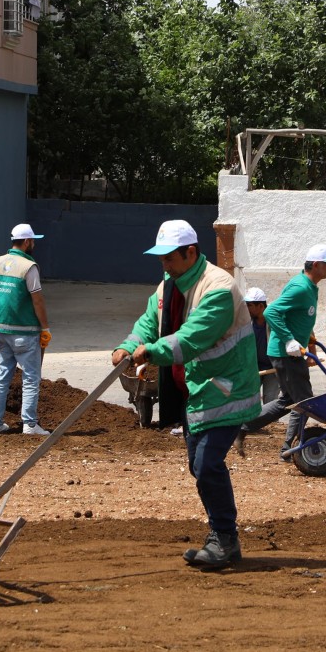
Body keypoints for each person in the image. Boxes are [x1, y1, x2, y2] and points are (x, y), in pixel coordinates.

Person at [111, 219, 261, 570]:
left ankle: (224, 538)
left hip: (227, 388)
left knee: (207, 464)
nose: (164, 264)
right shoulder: (170, 285)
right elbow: (151, 321)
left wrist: (151, 352)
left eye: (169, 258)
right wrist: (128, 346)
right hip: (197, 390)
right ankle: (222, 537)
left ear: (190, 252)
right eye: (161, 258)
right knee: (199, 466)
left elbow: (192, 337)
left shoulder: (218, 288)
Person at [237, 244, 326, 460]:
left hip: (290, 353)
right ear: (317, 265)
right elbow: (272, 312)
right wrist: (290, 340)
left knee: (289, 401)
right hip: (286, 354)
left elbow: (299, 317)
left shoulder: (308, 286)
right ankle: (292, 448)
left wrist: (307, 340)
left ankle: (245, 427)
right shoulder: (301, 287)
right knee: (303, 402)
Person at [0, 223, 51, 436]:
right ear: (26, 242)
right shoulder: (28, 267)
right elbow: (37, 300)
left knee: (2, 376)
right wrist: (45, 328)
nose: (34, 244)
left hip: (1, 330)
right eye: (33, 241)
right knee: (31, 378)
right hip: (24, 331)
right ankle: (30, 425)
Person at [244, 287, 279, 406]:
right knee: (248, 400)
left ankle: (271, 424)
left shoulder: (274, 319)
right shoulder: (246, 322)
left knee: (270, 402)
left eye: (249, 305)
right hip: (254, 367)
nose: (246, 308)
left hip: (273, 368)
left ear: (260, 306)